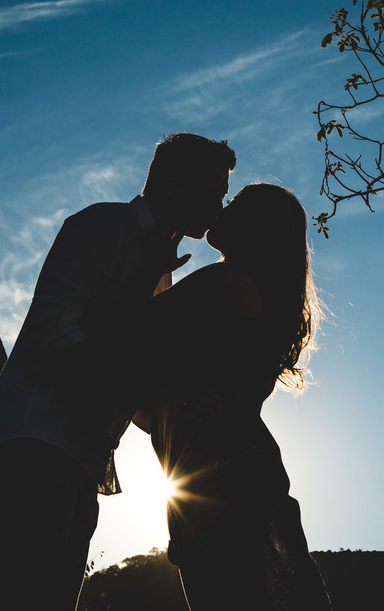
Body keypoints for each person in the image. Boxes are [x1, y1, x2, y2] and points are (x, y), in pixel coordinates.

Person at [0, 132, 236, 611]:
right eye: (213, 193)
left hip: (80, 458)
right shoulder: (101, 225)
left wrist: (171, 408)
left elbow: (128, 361)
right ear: (174, 185)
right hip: (34, 440)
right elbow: (57, 325)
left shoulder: (161, 271)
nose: (220, 207)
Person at [124, 183, 331, 611]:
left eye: (233, 205)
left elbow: (129, 330)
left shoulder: (229, 281)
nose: (221, 209)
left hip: (221, 479)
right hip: (218, 473)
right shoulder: (245, 290)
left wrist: (154, 258)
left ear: (253, 227)